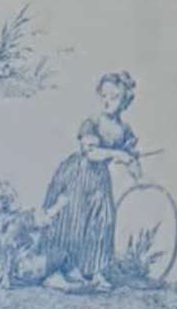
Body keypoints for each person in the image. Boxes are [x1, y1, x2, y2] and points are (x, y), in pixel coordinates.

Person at [33, 69, 142, 284]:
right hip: (78, 174)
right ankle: (61, 268)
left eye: (114, 97)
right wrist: (117, 154)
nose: (107, 101)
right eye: (104, 96)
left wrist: (134, 167)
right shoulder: (93, 122)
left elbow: (131, 157)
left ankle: (94, 270)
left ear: (125, 100)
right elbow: (90, 153)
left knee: (102, 222)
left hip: (100, 179)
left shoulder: (125, 130)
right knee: (72, 219)